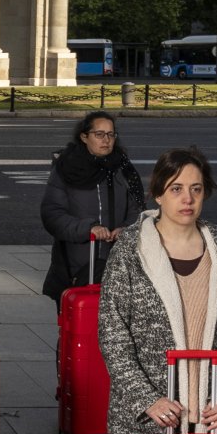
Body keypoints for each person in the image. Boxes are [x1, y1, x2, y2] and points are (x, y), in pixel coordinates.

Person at [98, 147, 217, 434]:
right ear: (158, 194)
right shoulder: (131, 249)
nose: (188, 199)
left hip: (209, 420)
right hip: (151, 421)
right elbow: (113, 334)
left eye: (196, 189)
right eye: (177, 189)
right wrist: (147, 399)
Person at [41, 110, 145, 302]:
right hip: (75, 264)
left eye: (110, 134)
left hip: (118, 264)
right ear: (84, 137)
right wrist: (88, 229)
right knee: (77, 327)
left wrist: (127, 230)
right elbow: (52, 214)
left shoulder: (123, 167)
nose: (106, 140)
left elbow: (137, 209)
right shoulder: (66, 167)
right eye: (99, 134)